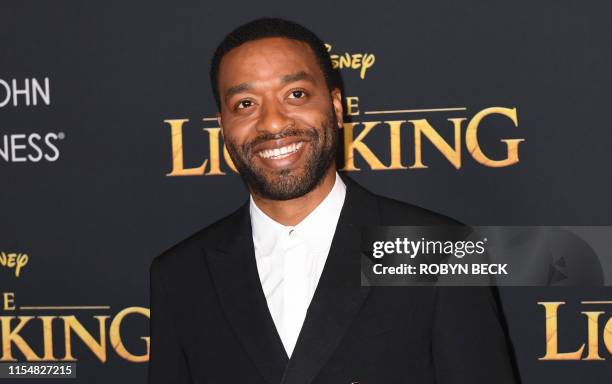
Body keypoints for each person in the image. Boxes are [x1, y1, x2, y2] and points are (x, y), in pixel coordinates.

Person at [149, 17, 517, 384]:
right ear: (222, 126)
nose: (273, 123)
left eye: (295, 94)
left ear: (337, 108)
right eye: (245, 103)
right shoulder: (182, 275)